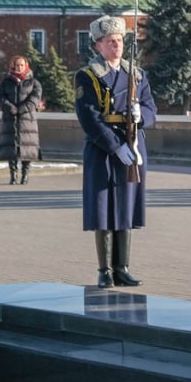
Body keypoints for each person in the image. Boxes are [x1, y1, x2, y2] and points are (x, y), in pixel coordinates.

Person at [75, 15, 157, 289]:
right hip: (104, 148)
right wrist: (114, 145)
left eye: (119, 40)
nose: (116, 46)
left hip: (133, 145)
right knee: (103, 207)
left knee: (125, 205)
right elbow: (89, 117)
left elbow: (150, 108)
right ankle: (104, 270)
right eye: (110, 42)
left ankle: (122, 268)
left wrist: (140, 116)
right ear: (98, 45)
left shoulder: (135, 73)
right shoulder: (88, 76)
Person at [0, 54, 43, 185]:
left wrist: (21, 109)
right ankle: (13, 174)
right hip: (10, 119)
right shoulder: (6, 82)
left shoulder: (33, 83)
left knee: (27, 148)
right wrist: (9, 107)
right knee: (11, 148)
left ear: (26, 66)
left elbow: (34, 99)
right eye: (17, 65)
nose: (19, 67)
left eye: (22, 65)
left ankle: (25, 174)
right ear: (13, 66)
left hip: (27, 120)